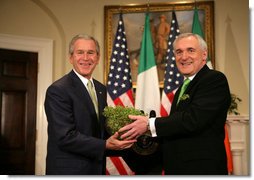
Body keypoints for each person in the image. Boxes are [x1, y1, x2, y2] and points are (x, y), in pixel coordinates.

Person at [119, 33, 231, 175]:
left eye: (190, 50)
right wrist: (136, 138)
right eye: (179, 52)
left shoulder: (214, 79)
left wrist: (149, 124)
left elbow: (192, 120)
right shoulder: (184, 86)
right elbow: (177, 129)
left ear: (204, 55)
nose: (184, 57)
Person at [44, 34, 136, 175]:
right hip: (68, 171)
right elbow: (65, 137)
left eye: (91, 53)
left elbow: (100, 128)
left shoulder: (100, 88)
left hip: (95, 168)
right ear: (71, 58)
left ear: (97, 58)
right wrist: (105, 144)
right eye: (80, 52)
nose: (86, 58)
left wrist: (128, 131)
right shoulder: (58, 90)